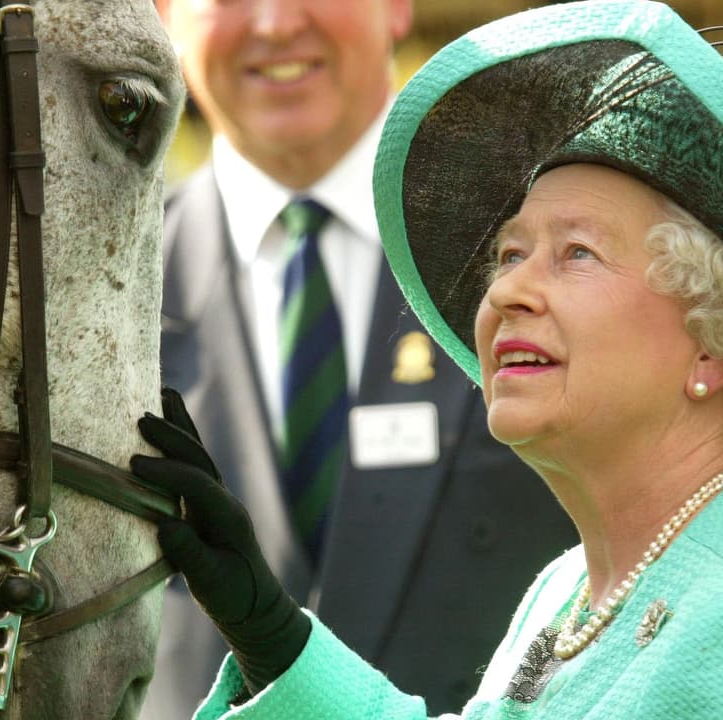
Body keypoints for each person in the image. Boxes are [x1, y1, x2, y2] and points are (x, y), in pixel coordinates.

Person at [131, 1, 723, 718]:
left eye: (576, 253)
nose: (510, 289)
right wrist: (276, 641)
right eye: (510, 253)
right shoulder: (569, 591)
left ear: (721, 340)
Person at [146, 0, 577, 717]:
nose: (276, 23)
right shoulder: (92, 290)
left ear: (399, 7)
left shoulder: (548, 261)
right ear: (163, 13)